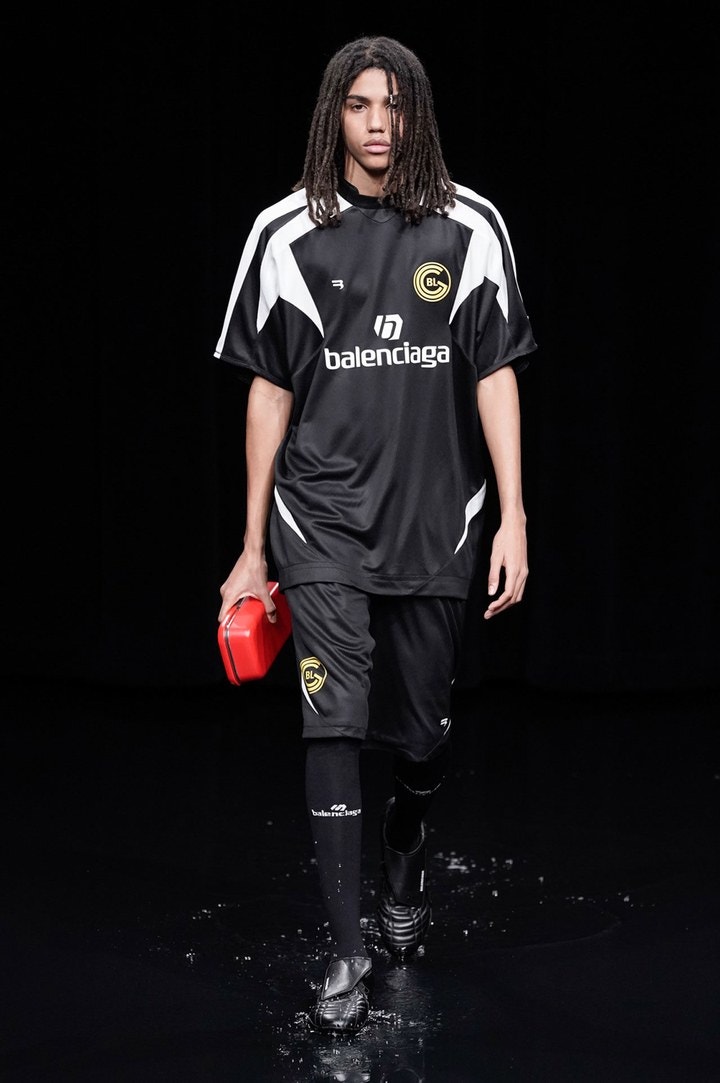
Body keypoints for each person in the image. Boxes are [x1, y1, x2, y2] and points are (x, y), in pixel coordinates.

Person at [214, 34, 537, 1033]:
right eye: (358, 105)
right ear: (334, 114)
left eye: (393, 105)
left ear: (416, 113)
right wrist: (252, 549)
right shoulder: (284, 233)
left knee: (422, 736)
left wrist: (515, 514)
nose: (377, 124)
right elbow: (269, 391)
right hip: (320, 522)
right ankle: (348, 955)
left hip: (436, 525)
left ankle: (406, 850)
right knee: (333, 722)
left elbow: (495, 373)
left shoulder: (469, 225)